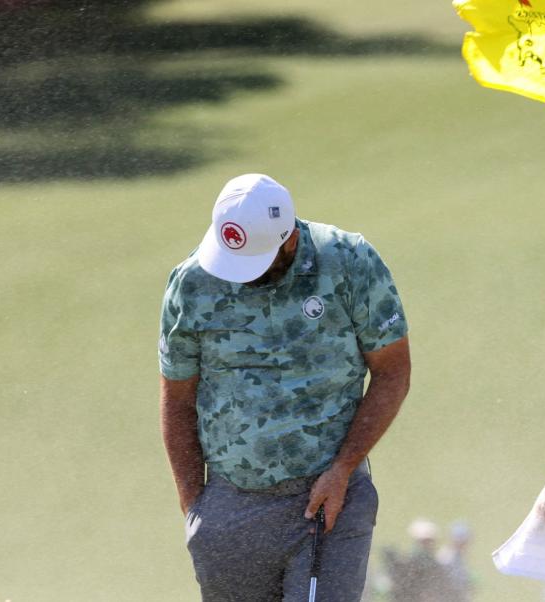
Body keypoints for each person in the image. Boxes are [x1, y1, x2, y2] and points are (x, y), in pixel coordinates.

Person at [159, 173, 411, 601]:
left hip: (326, 500)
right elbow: (178, 399)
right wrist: (195, 507)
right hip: (230, 507)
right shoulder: (192, 282)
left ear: (289, 240)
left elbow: (392, 372)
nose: (239, 278)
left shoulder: (349, 261)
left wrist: (343, 469)